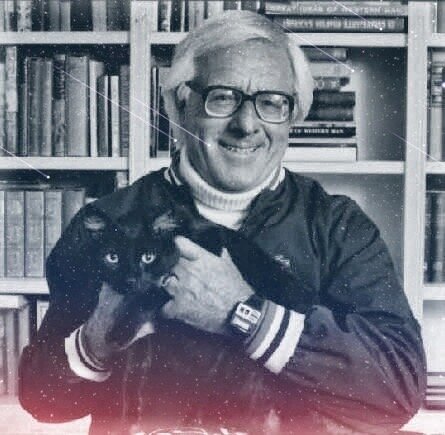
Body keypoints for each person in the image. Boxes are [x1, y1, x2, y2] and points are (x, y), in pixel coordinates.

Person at [19, 10, 426, 435]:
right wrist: (95, 341)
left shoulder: (336, 226)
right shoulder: (108, 221)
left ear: (293, 116)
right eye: (223, 97)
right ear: (180, 104)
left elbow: (399, 392)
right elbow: (43, 402)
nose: (246, 125)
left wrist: (243, 313)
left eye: (272, 103)